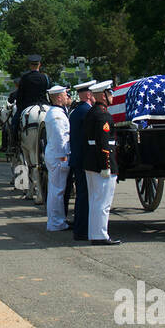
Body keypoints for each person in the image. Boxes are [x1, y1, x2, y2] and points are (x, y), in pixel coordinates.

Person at [84, 80, 122, 245]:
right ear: (102, 95)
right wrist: (106, 165)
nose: (112, 96)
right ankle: (100, 235)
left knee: (95, 201)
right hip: (101, 163)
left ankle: (95, 233)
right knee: (103, 202)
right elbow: (103, 143)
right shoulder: (103, 115)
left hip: (91, 161)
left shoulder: (93, 112)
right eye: (110, 93)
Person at [67, 81, 96, 240]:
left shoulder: (78, 110)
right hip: (84, 160)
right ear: (88, 94)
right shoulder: (86, 111)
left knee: (82, 195)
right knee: (85, 195)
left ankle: (80, 226)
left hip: (78, 158)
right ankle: (82, 229)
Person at [43, 85, 72, 232]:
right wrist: (64, 157)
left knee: (56, 190)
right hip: (58, 156)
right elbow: (61, 138)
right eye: (66, 94)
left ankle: (57, 221)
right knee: (57, 191)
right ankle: (56, 222)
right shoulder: (57, 115)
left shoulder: (56, 112)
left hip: (55, 155)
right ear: (59, 98)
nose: (68, 96)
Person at [9, 55, 51, 145]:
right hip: (43, 104)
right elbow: (49, 92)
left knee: (14, 122)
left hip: (28, 104)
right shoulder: (45, 77)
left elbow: (20, 95)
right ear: (39, 65)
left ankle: (13, 143)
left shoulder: (25, 78)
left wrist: (19, 107)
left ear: (30, 66)